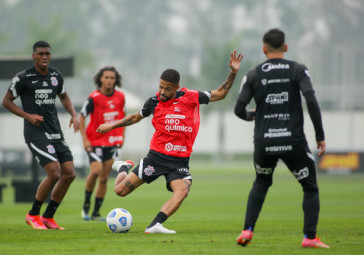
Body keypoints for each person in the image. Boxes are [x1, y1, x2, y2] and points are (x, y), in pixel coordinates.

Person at [97, 50, 244, 234]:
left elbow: (220, 93)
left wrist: (233, 72)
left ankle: (155, 225)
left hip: (179, 161)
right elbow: (135, 117)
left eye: (167, 88)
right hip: (156, 158)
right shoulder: (153, 101)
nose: (162, 92)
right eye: (160, 87)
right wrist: (110, 126)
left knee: (182, 191)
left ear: (177, 87)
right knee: (120, 191)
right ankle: (123, 168)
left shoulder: (191, 96)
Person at [234, 28, 329, 248]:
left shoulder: (253, 74)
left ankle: (247, 231)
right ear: (285, 47)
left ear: (263, 49)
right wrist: (320, 136)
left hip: (264, 142)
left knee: (261, 182)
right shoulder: (298, 70)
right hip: (293, 141)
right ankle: (310, 237)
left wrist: (252, 116)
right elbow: (311, 102)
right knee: (310, 187)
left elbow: (239, 109)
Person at [2, 41, 79, 230]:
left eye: (48, 54)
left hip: (55, 131)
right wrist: (27, 116)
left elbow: (64, 95)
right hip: (35, 133)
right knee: (54, 173)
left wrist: (74, 114)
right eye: (41, 54)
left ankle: (48, 217)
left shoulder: (55, 76)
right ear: (33, 56)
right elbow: (6, 101)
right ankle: (33, 214)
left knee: (69, 174)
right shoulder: (23, 77)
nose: (45, 57)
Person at [79, 66, 126, 221]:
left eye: (112, 78)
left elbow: (123, 117)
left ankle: (96, 213)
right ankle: (86, 206)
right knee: (96, 171)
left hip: (112, 142)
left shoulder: (120, 97)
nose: (109, 80)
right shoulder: (94, 97)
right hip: (95, 142)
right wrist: (85, 139)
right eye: (106, 77)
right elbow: (81, 116)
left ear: (115, 80)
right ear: (100, 79)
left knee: (105, 178)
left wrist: (121, 137)